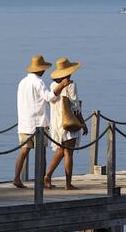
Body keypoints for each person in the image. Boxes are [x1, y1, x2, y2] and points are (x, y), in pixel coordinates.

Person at [14, 55, 70, 188]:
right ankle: (41, 180)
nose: (44, 71)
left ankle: (16, 178)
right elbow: (49, 97)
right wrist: (61, 85)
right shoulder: (38, 82)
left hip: (24, 122)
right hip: (38, 123)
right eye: (43, 68)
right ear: (40, 69)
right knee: (42, 153)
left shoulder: (22, 82)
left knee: (24, 151)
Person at [45, 57, 88, 190]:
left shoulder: (53, 86)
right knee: (69, 153)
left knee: (60, 151)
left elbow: (51, 100)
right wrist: (83, 123)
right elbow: (75, 107)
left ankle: (47, 176)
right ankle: (68, 184)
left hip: (56, 123)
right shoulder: (71, 85)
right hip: (68, 123)